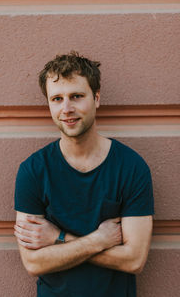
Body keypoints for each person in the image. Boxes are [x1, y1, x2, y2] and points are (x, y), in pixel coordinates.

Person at [14, 51, 154, 297]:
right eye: (57, 99)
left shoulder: (131, 167)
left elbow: (134, 260)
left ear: (96, 98)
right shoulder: (33, 171)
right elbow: (33, 263)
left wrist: (58, 238)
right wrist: (99, 240)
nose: (66, 108)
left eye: (76, 96)